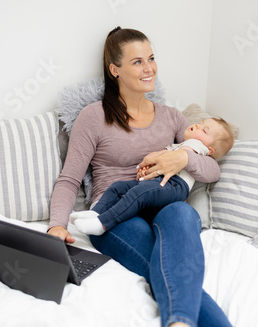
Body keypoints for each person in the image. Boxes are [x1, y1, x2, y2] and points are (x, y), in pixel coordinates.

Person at [47, 26, 232, 327]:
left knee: (184, 214)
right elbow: (69, 179)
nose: (149, 68)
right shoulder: (94, 117)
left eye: (151, 58)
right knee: (166, 266)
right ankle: (182, 322)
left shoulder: (172, 117)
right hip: (116, 215)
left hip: (163, 204)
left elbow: (212, 170)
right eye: (137, 62)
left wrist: (183, 157)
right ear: (114, 70)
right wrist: (56, 225)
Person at [71, 117, 234, 236]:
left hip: (175, 185)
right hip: (158, 181)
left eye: (204, 130)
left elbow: (180, 159)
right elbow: (164, 161)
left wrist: (168, 157)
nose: (197, 125)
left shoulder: (197, 147)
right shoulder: (181, 145)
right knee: (118, 187)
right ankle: (96, 213)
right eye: (201, 122)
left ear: (210, 150)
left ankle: (103, 224)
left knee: (139, 193)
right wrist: (148, 168)